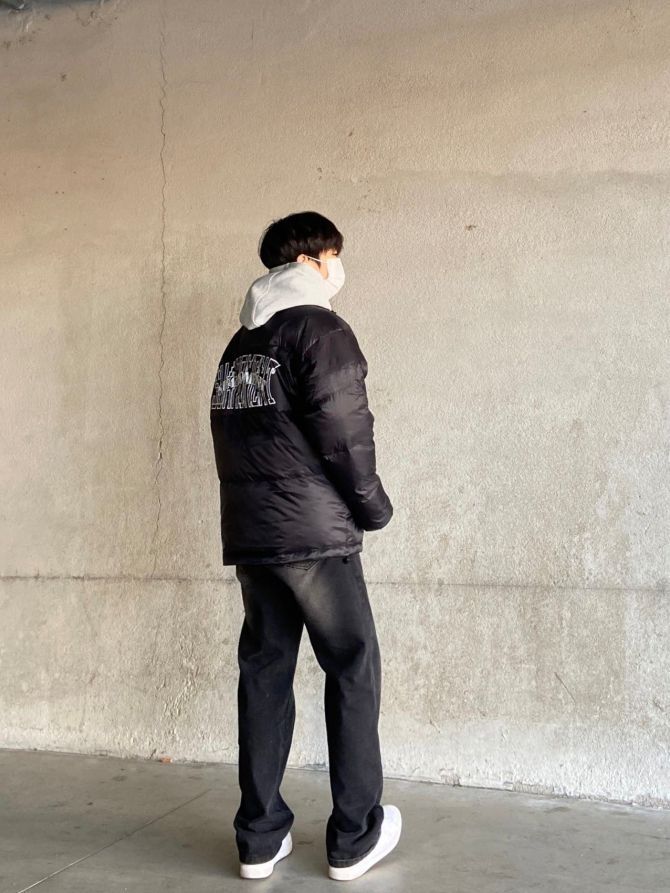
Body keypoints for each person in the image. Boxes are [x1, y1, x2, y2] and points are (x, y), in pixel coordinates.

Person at [209, 210, 401, 881]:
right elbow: (346, 433)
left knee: (265, 671)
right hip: (314, 536)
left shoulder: (241, 343)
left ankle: (259, 838)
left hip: (255, 535)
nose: (338, 268)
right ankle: (355, 835)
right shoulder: (321, 330)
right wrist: (373, 507)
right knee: (352, 664)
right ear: (312, 259)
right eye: (333, 256)